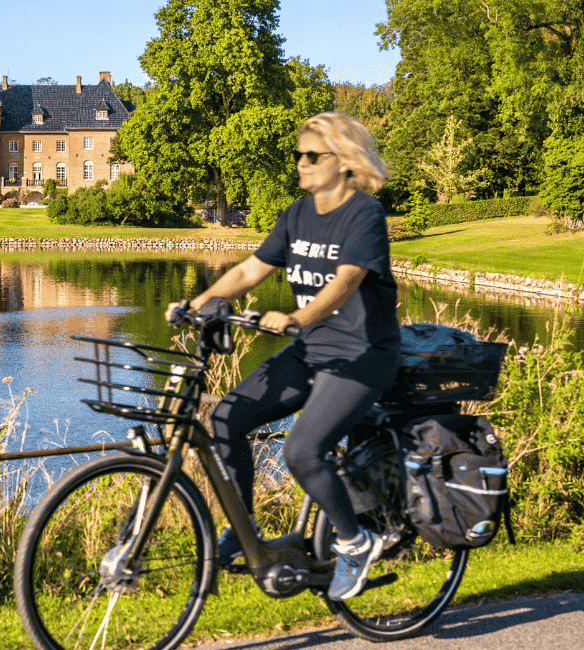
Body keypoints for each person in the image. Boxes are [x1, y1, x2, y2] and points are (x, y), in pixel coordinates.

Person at [166, 111, 400, 600]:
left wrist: (299, 318)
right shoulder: (297, 214)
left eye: (312, 155)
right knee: (227, 416)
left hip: (361, 357)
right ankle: (244, 529)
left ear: (343, 161)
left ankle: (356, 543)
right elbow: (251, 269)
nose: (300, 163)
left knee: (300, 451)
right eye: (298, 154)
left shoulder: (364, 214)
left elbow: (348, 278)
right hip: (311, 351)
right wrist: (197, 304)